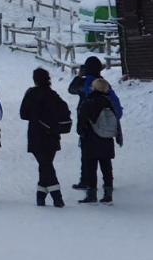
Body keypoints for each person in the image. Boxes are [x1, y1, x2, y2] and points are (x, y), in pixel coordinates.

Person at [67, 56, 123, 190]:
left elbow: (72, 89)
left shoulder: (86, 84)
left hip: (89, 126)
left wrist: (79, 76)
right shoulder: (104, 84)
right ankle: (108, 184)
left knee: (87, 156)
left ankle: (86, 182)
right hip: (106, 127)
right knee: (105, 158)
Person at [19, 68, 72, 207]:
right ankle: (41, 196)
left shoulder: (31, 94)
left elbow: (23, 114)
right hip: (53, 136)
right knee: (46, 165)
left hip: (36, 135)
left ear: (35, 79)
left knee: (45, 166)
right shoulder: (53, 95)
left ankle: (56, 198)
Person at [77, 78, 121, 205]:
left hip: (90, 139)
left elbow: (81, 124)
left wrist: (82, 133)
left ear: (93, 88)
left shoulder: (88, 102)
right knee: (106, 167)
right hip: (106, 139)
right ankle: (108, 194)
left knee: (91, 167)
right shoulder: (109, 102)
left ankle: (91, 194)